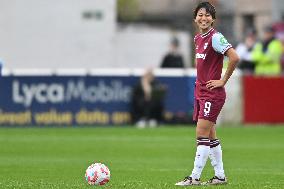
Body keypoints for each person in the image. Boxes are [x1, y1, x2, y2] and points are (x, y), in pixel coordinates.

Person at [175, 2, 239, 186]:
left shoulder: (215, 37)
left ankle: (194, 177)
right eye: (200, 15)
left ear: (213, 19)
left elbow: (234, 57)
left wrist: (223, 80)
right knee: (210, 135)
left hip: (212, 94)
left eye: (207, 15)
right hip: (201, 92)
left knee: (201, 133)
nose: (204, 18)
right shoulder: (197, 38)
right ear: (195, 18)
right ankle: (220, 176)